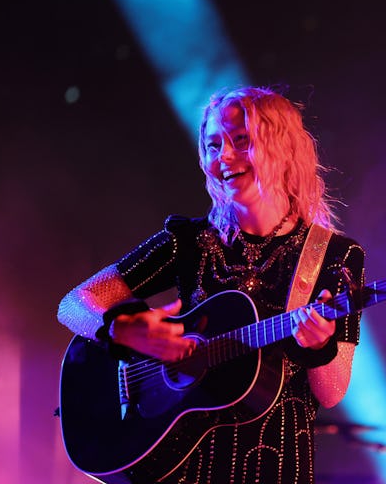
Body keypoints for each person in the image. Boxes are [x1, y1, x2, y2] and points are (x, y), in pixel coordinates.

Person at [57, 86, 364, 483]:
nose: (225, 157)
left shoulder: (334, 255)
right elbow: (73, 304)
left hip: (278, 465)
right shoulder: (189, 242)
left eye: (242, 141)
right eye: (214, 144)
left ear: (283, 148)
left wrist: (320, 347)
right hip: (186, 462)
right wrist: (123, 330)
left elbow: (332, 392)